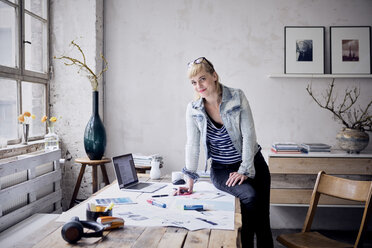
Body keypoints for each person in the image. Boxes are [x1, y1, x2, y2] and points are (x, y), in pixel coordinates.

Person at [178, 57, 273, 248]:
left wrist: (244, 170)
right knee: (249, 198)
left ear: (214, 76)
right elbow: (193, 145)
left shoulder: (237, 97)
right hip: (222, 169)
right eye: (194, 82)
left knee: (263, 221)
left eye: (202, 79)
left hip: (253, 163)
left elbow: (249, 135)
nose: (199, 86)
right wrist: (189, 181)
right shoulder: (194, 109)